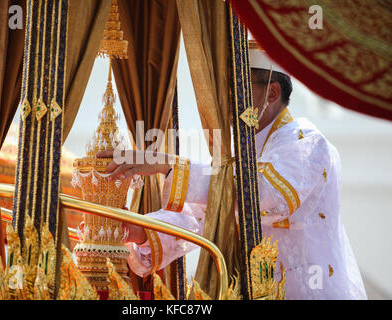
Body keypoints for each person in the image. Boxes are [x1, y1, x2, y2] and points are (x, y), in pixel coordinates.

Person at [96, 43, 367, 299]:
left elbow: (260, 196)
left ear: (271, 93)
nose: (226, 101)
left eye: (235, 89)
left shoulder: (307, 142)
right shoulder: (245, 153)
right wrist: (141, 231)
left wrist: (167, 165)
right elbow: (205, 216)